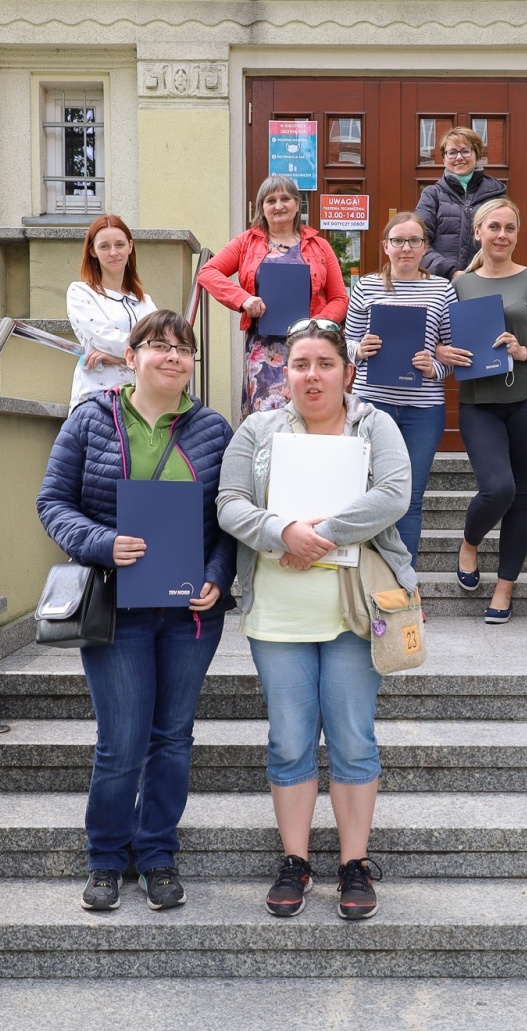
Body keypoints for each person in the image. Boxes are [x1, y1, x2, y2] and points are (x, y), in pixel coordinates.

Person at [36, 310, 236, 913]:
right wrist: (102, 544)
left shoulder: (214, 430)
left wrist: (217, 577)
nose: (172, 357)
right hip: (116, 606)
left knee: (172, 737)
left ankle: (156, 854)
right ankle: (105, 856)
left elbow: (230, 518)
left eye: (183, 349)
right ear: (132, 355)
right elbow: (53, 503)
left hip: (188, 612)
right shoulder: (90, 420)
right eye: (158, 346)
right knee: (121, 742)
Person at [216, 320, 413, 921]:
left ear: (346, 371)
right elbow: (229, 503)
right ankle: (295, 861)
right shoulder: (259, 428)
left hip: (355, 610)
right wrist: (283, 533)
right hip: (278, 612)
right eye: (299, 363)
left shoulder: (374, 424)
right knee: (290, 739)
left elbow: (394, 494)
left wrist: (316, 537)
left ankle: (354, 863)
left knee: (354, 739)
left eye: (325, 363)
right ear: (286, 373)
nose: (311, 375)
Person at [449, 198, 527, 624]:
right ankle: (470, 542)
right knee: (498, 488)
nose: (502, 235)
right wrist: (444, 351)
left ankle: (505, 587)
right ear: (477, 231)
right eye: (493, 227)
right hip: (479, 403)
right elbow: (439, 336)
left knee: (523, 496)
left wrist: (525, 350)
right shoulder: (460, 284)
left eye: (510, 228)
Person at [343, 211, 456, 566]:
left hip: (422, 412)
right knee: (363, 492)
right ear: (385, 247)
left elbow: (454, 352)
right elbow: (346, 340)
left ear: (425, 247)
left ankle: (403, 583)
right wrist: (359, 350)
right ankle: (363, 575)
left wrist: (434, 366)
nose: (406, 248)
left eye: (414, 241)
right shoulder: (366, 286)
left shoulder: (442, 289)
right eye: (398, 241)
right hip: (370, 406)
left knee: (409, 496)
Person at [198, 175, 349, 417]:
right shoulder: (246, 242)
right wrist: (243, 299)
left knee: (310, 412)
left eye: (285, 198)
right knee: (266, 416)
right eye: (271, 200)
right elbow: (208, 272)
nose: (278, 205)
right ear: (262, 208)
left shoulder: (320, 246)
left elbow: (340, 298)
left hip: (310, 344)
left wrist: (316, 323)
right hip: (264, 349)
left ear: (298, 204)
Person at [66, 214, 158, 408]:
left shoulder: (144, 302)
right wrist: (141, 353)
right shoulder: (81, 293)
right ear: (92, 251)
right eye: (104, 246)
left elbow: (160, 347)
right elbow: (104, 339)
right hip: (97, 400)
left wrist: (118, 357)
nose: (113, 252)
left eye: (119, 244)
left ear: (130, 246)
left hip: (141, 402)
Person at [415, 126, 508, 281]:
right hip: (442, 284)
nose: (459, 157)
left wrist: (483, 272)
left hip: (486, 281)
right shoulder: (432, 195)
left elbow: (503, 239)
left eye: (465, 151)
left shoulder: (496, 194)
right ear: (444, 159)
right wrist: (450, 272)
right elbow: (418, 242)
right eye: (452, 152)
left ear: (477, 155)